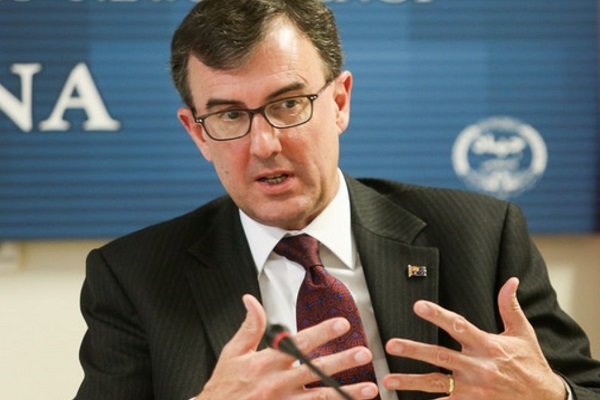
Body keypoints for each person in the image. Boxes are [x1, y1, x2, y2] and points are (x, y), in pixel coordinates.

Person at [75, 1, 600, 399]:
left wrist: (553, 396)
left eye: (288, 104)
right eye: (230, 115)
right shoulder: (134, 278)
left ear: (340, 101)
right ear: (197, 133)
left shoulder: (479, 235)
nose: (264, 144)